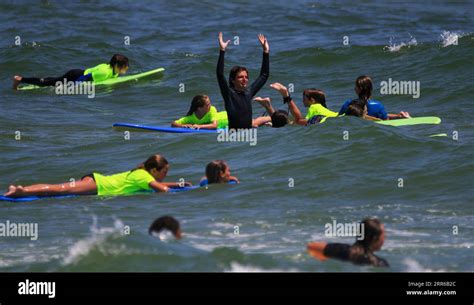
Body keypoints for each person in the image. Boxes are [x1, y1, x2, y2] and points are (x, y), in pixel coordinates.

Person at [3, 154, 190, 198]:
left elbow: (162, 186)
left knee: (60, 188)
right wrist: (185, 192)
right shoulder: (143, 176)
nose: (166, 176)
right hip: (99, 185)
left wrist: (180, 184)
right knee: (59, 189)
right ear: (155, 171)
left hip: (96, 180)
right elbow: (162, 190)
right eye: (165, 172)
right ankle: (21, 192)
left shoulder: (142, 174)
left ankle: (20, 190)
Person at [216, 32, 269, 129]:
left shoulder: (248, 93)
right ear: (232, 80)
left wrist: (266, 51)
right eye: (241, 77)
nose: (245, 79)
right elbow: (220, 75)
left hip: (248, 134)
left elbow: (264, 76)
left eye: (246, 77)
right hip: (234, 137)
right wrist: (222, 50)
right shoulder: (229, 94)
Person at [12, 54, 129, 90]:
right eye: (125, 66)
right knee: (48, 83)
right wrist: (72, 87)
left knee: (53, 80)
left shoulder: (111, 69)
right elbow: (86, 77)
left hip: (77, 72)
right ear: (117, 66)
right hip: (75, 76)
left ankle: (25, 79)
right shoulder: (104, 72)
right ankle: (20, 79)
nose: (127, 68)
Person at [307, 218, 389, 267]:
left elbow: (311, 246)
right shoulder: (379, 262)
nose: (385, 237)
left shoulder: (341, 249)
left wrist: (323, 258)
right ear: (375, 239)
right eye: (383, 235)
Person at [338, 75, 410, 120]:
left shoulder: (348, 104)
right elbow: (385, 119)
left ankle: (400, 116)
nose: (354, 88)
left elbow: (339, 117)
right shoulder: (377, 105)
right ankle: (402, 116)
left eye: (355, 86)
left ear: (359, 89)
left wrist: (397, 116)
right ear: (370, 89)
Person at [268, 82, 338, 125]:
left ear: (312, 100)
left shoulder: (313, 107)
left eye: (304, 99)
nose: (303, 101)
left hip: (327, 119)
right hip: (337, 116)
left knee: (298, 120)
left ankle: (286, 96)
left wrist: (293, 123)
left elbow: (302, 122)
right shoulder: (321, 108)